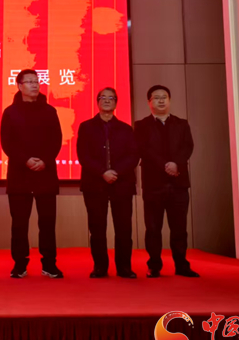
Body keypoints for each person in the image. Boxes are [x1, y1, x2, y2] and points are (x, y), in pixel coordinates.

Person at [0, 69, 64, 279]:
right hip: (19, 175)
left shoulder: (50, 111)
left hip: (45, 173)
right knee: (19, 224)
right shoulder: (10, 112)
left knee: (47, 223)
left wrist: (44, 160)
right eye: (29, 81)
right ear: (19, 86)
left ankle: (49, 264)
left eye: (36, 81)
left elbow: (56, 139)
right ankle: (20, 264)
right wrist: (25, 160)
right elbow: (7, 142)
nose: (34, 85)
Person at [135, 85, 199, 278]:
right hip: (153, 184)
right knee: (153, 228)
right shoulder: (141, 125)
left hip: (178, 184)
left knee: (179, 228)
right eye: (156, 97)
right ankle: (154, 265)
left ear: (169, 100)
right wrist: (165, 165)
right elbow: (143, 150)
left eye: (164, 97)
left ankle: (181, 265)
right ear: (149, 102)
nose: (161, 100)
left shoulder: (182, 124)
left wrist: (175, 164)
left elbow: (188, 147)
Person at [77, 87, 139, 279]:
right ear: (97, 102)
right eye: (103, 97)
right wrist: (102, 172)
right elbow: (83, 155)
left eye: (111, 98)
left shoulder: (126, 129)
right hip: (94, 184)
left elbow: (133, 155)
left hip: (122, 184)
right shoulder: (86, 127)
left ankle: (124, 267)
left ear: (116, 103)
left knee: (124, 228)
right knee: (97, 228)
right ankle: (100, 267)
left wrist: (116, 172)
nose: (106, 100)